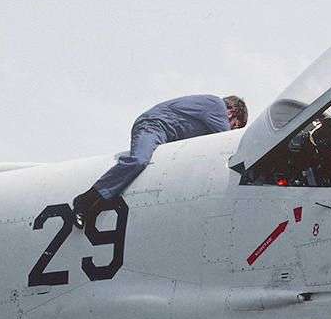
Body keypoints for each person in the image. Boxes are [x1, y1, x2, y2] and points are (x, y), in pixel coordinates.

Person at [73, 94, 247, 226]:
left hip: (167, 136)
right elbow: (228, 140)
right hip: (154, 126)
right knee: (139, 160)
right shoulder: (216, 106)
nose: (233, 129)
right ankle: (85, 200)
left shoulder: (210, 113)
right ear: (230, 113)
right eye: (236, 125)